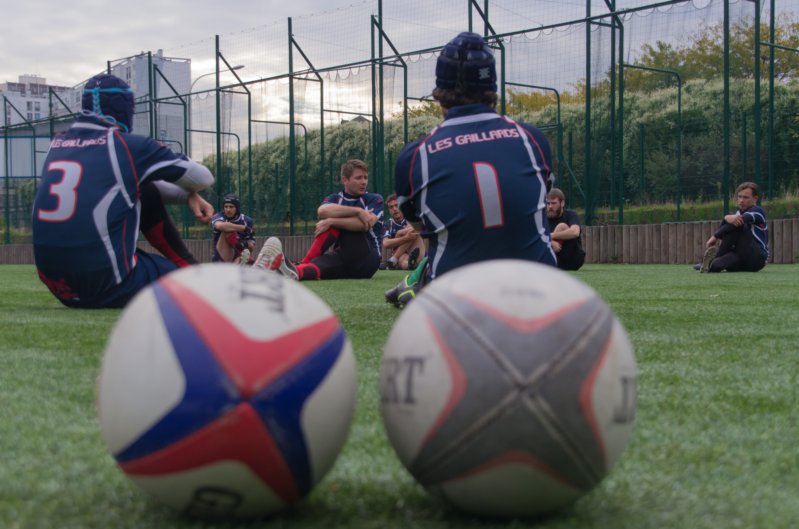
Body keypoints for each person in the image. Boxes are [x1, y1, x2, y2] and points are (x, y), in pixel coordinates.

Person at [385, 31, 556, 307]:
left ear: (438, 94)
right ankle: (415, 281)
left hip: (456, 304)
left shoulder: (415, 156)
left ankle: (416, 282)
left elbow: (421, 227)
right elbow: (538, 199)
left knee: (443, 236)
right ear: (493, 89)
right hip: (542, 299)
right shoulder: (533, 139)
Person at [32, 73, 214, 308]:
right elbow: (203, 177)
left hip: (61, 288)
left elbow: (115, 186)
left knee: (142, 187)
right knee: (189, 286)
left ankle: (191, 270)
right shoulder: (127, 146)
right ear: (124, 107)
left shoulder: (56, 146)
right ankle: (194, 274)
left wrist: (187, 197)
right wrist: (191, 190)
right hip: (109, 284)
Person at [255, 159, 384, 280]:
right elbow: (322, 211)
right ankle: (290, 271)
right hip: (344, 258)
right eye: (358, 178)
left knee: (331, 224)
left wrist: (332, 221)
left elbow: (366, 224)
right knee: (318, 264)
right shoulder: (335, 198)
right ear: (345, 180)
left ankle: (302, 262)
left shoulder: (374, 199)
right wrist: (358, 211)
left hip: (368, 260)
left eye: (365, 178)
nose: (364, 182)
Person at [697, 181, 768, 273]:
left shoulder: (758, 211)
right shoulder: (737, 214)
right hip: (740, 257)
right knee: (716, 265)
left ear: (755, 199)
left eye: (746, 197)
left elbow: (740, 221)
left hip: (756, 259)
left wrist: (715, 236)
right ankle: (709, 264)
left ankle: (716, 257)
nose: (742, 200)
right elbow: (726, 228)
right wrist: (726, 217)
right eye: (740, 197)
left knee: (737, 225)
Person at [380, 193, 425, 270]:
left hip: (418, 250)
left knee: (412, 230)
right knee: (403, 260)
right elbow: (385, 243)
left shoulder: (411, 218)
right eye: (391, 207)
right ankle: (411, 265)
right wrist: (406, 238)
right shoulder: (388, 224)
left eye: (396, 205)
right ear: (389, 210)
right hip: (401, 256)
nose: (394, 209)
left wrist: (401, 234)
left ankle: (393, 260)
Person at [546, 188, 585, 271]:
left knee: (562, 226)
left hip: (573, 259)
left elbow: (575, 232)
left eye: (553, 203)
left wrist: (549, 236)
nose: (550, 206)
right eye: (548, 203)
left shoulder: (571, 215)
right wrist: (551, 242)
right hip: (555, 260)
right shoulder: (542, 218)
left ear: (562, 203)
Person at [211, 194, 256, 265]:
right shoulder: (218, 216)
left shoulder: (247, 221)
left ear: (237, 208)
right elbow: (219, 226)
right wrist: (243, 228)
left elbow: (252, 247)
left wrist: (245, 243)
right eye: (226, 207)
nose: (228, 210)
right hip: (221, 257)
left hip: (238, 254)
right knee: (227, 229)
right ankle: (239, 262)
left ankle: (238, 262)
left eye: (231, 207)